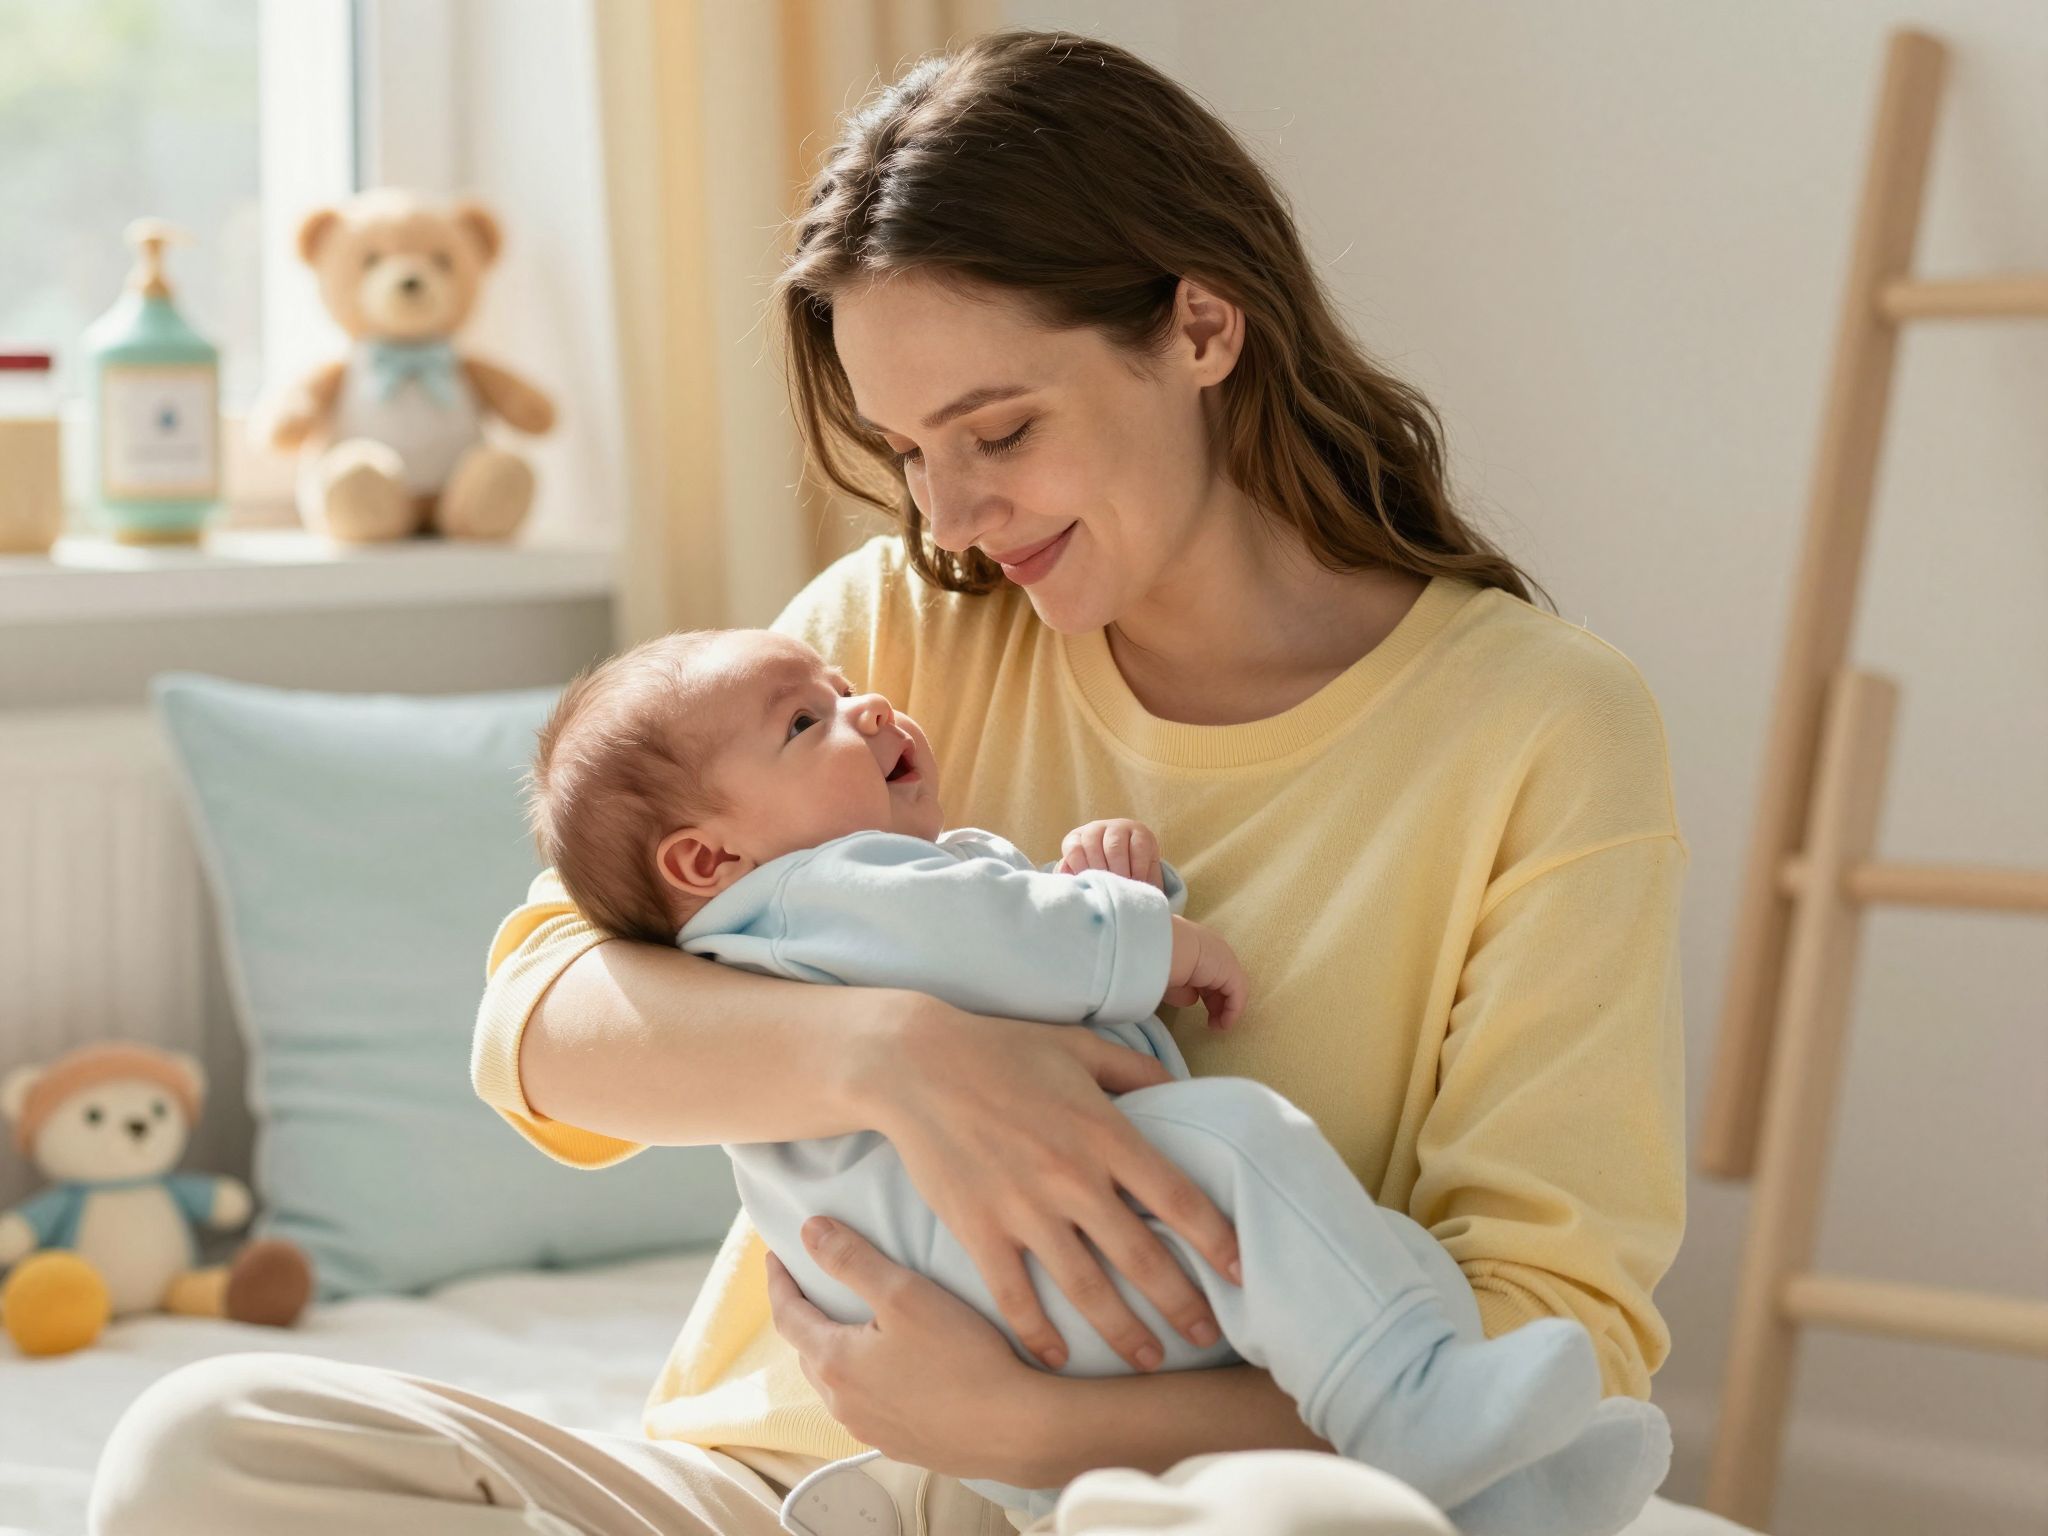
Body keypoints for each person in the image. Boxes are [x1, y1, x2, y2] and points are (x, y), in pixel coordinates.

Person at [87, 28, 1687, 1536]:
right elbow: (539, 1023)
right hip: (775, 1491)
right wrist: (900, 1056)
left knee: (1306, 1523)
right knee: (211, 1445)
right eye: (911, 450)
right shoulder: (888, 640)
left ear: (1202, 329)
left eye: (999, 430)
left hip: (1158, 1498)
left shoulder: (1538, 726)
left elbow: (1553, 1328)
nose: (951, 514)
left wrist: (1026, 1431)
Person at [519, 625, 1669, 1533]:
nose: (865, 705)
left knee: (1388, 1263)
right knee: (1244, 1137)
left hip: (1025, 1315)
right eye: (806, 719)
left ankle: (1496, 1481)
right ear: (705, 858)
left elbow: (995, 919)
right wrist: (1148, 936)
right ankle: (1413, 1412)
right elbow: (1003, 936)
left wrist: (1102, 883)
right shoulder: (811, 894)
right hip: (1008, 1270)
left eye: (845, 687)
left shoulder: (805, 916)